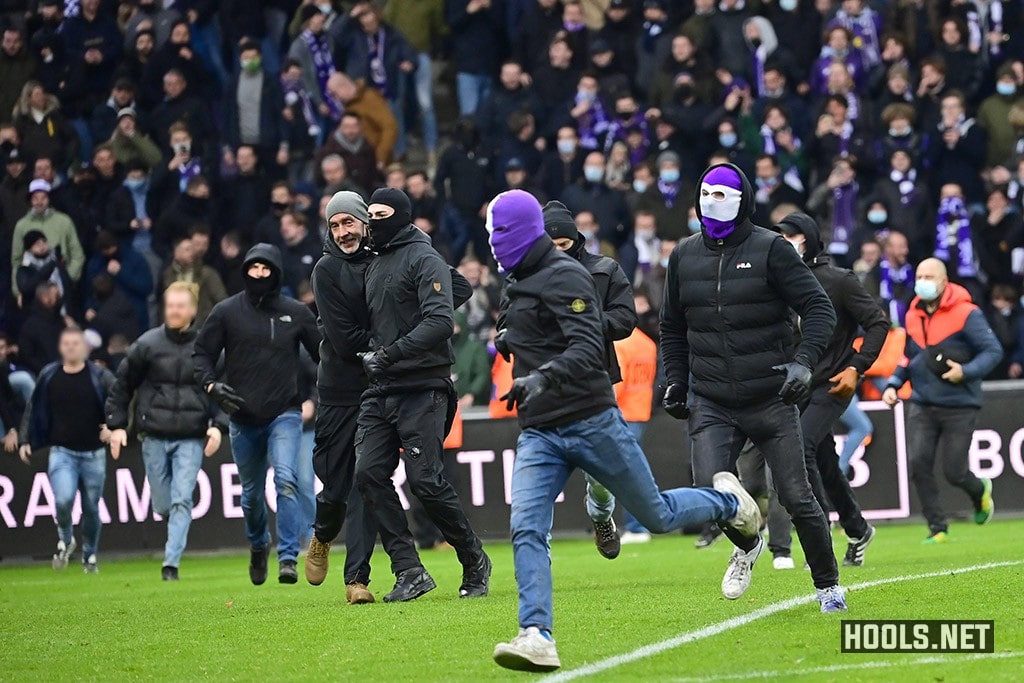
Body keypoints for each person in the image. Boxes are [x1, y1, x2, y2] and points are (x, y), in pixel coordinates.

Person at [487, 190, 761, 672]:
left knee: (656, 513)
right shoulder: (516, 283)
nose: (493, 243)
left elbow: (588, 347)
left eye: (500, 232)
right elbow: (522, 333)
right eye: (491, 233)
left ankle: (729, 503)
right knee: (526, 526)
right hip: (539, 431)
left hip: (591, 420)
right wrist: (510, 341)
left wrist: (541, 375)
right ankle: (537, 634)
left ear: (523, 231)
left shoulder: (568, 274)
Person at [660, 163, 846, 612]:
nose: (712, 200)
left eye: (723, 193)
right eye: (706, 192)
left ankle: (828, 587)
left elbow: (820, 309)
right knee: (711, 495)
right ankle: (747, 545)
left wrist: (804, 363)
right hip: (712, 398)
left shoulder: (771, 250)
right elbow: (671, 327)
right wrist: (675, 380)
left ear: (743, 199)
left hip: (771, 396)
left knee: (799, 499)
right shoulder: (683, 256)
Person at [356, 188, 490, 602]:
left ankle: (473, 559)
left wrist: (391, 351)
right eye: (369, 215)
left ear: (399, 217)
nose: (371, 222)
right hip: (381, 388)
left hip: (422, 386)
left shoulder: (421, 256)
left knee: (426, 482)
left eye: (379, 215)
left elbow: (439, 320)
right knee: (367, 473)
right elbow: (459, 289)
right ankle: (409, 569)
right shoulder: (375, 261)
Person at [193, 244, 321, 585]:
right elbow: (201, 355)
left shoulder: (297, 313)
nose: (260, 275)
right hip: (242, 416)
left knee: (287, 481)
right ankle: (258, 543)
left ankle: (289, 557)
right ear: (245, 272)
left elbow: (326, 358)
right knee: (250, 495)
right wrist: (211, 386)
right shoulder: (226, 312)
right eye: (254, 269)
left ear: (276, 273)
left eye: (266, 269)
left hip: (285, 413)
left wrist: (319, 398)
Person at [772, 212, 890, 566]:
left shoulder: (840, 280)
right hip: (797, 384)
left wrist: (857, 367)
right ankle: (857, 528)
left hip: (834, 382)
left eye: (790, 237)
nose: (783, 243)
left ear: (807, 239)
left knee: (802, 446)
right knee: (824, 461)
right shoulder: (780, 281)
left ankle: (818, 537)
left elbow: (878, 323)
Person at [105, 283, 226, 581]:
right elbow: (122, 386)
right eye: (170, 305)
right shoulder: (146, 345)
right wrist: (117, 425)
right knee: (163, 504)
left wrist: (219, 426)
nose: (174, 310)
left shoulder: (206, 348)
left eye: (180, 305)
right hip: (154, 436)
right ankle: (173, 536)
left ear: (193, 310)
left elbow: (225, 387)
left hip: (191, 436)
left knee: (182, 498)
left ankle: (170, 564)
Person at [539, 200, 637, 559]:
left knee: (600, 475)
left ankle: (601, 517)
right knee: (539, 476)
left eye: (563, 244)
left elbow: (626, 319)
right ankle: (537, 552)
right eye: (550, 246)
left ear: (575, 240)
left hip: (594, 380)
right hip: (544, 383)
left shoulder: (604, 270)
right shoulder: (524, 274)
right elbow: (506, 320)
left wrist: (584, 325)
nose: (557, 252)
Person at [882, 258, 1002, 542]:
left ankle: (979, 491)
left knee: (955, 472)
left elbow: (993, 351)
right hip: (923, 402)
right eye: (920, 275)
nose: (923, 281)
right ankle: (938, 527)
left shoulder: (967, 313)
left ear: (944, 281)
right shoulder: (912, 314)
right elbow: (910, 355)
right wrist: (894, 383)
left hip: (960, 403)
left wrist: (967, 371)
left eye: (929, 276)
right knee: (918, 463)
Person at [306, 191, 379, 604]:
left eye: (348, 222)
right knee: (335, 487)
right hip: (338, 388)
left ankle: (357, 580)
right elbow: (342, 338)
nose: (342, 232)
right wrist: (396, 343)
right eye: (335, 226)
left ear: (364, 222)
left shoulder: (386, 257)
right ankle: (321, 535)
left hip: (376, 389)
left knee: (365, 482)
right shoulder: (326, 269)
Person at [19, 328, 115, 574]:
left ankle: (90, 555)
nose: (71, 347)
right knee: (62, 500)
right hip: (62, 452)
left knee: (92, 507)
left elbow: (119, 400)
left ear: (84, 347)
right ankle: (66, 538)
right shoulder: (49, 375)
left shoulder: (99, 376)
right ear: (61, 347)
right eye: (67, 343)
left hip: (94, 453)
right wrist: (25, 438)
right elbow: (33, 408)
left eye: (76, 343)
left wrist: (114, 427)